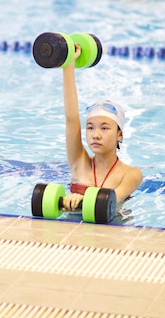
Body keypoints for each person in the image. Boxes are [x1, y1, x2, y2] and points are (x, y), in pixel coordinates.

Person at [61, 44, 143, 211]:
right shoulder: (79, 163)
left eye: (104, 128)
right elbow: (71, 118)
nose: (95, 135)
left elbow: (111, 202)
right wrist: (68, 66)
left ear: (119, 135)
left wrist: (81, 199)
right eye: (90, 128)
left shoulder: (131, 174)